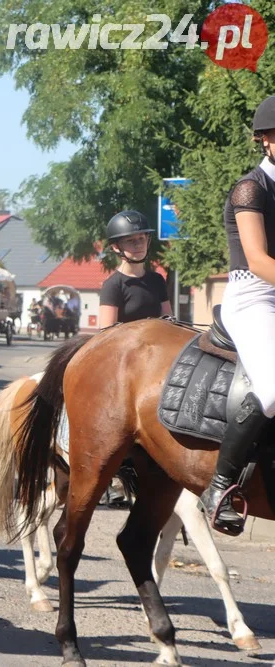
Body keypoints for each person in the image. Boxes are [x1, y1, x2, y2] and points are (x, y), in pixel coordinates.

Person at [199, 96, 275, 535]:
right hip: (255, 295)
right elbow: (260, 259)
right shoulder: (251, 189)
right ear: (265, 140)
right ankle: (220, 486)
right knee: (270, 391)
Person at [97, 210, 171, 507]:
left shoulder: (156, 280)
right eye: (131, 240)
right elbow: (106, 334)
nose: (139, 244)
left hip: (157, 359)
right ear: (117, 247)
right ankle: (114, 471)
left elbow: (168, 321)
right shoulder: (113, 286)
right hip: (124, 363)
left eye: (141, 239)